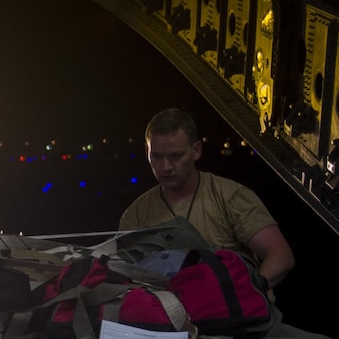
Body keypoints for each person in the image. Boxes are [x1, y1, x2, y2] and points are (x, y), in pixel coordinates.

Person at [120, 108, 295, 287]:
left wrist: (244, 296)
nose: (165, 167)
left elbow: (280, 256)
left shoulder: (230, 197)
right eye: (156, 156)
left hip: (231, 310)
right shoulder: (135, 216)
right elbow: (124, 277)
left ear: (196, 150)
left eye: (175, 156)